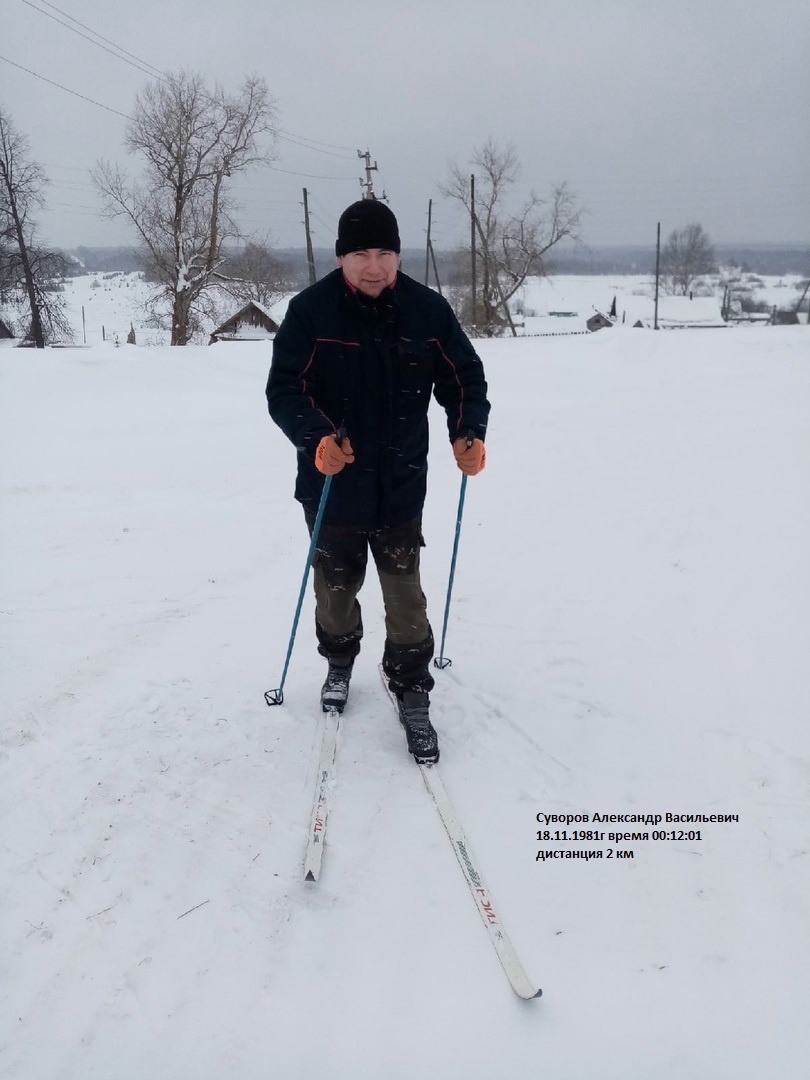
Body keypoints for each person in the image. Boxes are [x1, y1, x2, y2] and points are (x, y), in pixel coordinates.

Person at [266, 199, 489, 763]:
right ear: (341, 256)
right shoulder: (310, 312)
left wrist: (468, 430)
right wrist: (316, 436)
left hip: (399, 483)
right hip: (332, 485)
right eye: (361, 253)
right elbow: (285, 388)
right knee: (335, 591)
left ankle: (410, 684)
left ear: (398, 255)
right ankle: (339, 662)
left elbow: (463, 375)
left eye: (385, 253)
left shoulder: (427, 311)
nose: (374, 266)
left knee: (404, 594)